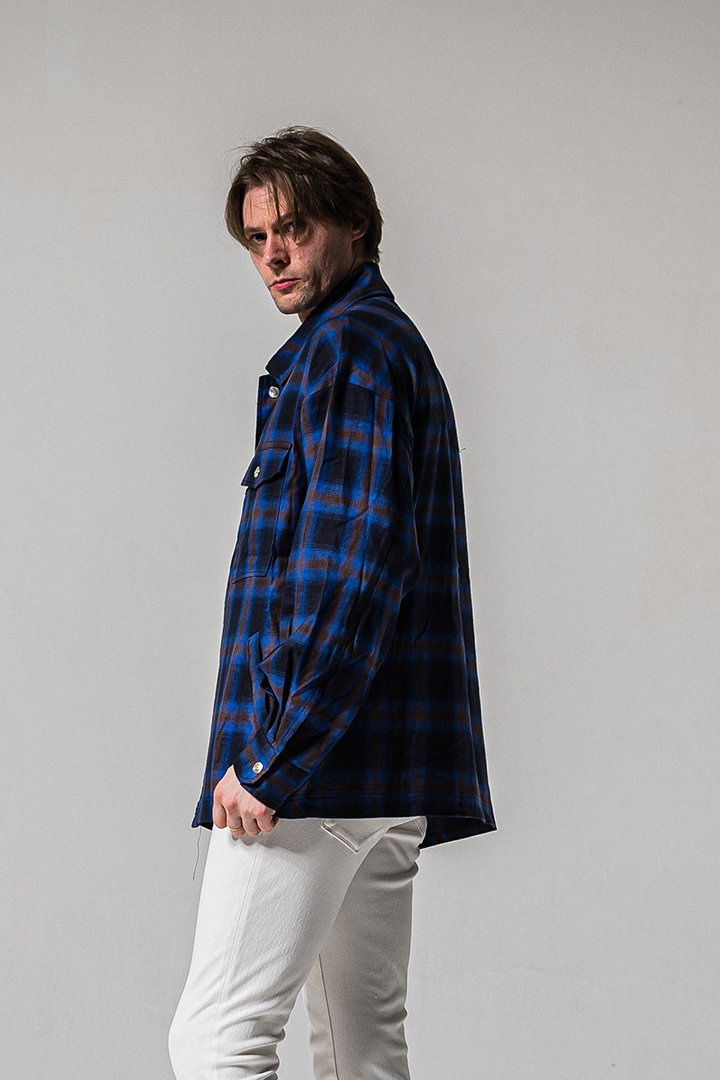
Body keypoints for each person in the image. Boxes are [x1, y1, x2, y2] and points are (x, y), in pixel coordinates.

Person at [168, 125, 496, 1080]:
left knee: (217, 1040)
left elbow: (353, 574)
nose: (274, 255)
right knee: (363, 1048)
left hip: (315, 770)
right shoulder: (386, 348)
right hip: (382, 776)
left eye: (295, 228)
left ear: (354, 224)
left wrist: (276, 759)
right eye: (257, 237)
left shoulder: (348, 352)